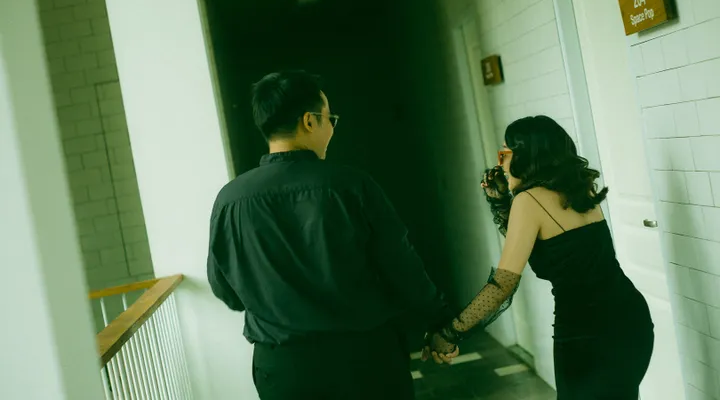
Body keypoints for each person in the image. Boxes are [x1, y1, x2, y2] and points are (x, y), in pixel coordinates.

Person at [207, 71, 456, 400]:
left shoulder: (230, 200)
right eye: (330, 119)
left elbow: (225, 290)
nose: (332, 129)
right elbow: (402, 267)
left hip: (284, 369)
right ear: (309, 121)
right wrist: (440, 322)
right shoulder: (351, 186)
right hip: (366, 361)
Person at [423, 115, 654, 400]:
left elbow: (502, 285)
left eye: (504, 153)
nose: (500, 163)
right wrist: (502, 201)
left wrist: (449, 333)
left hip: (587, 335)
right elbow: (543, 247)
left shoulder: (528, 200)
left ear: (526, 156)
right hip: (631, 320)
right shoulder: (579, 187)